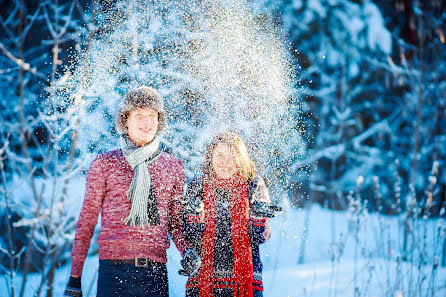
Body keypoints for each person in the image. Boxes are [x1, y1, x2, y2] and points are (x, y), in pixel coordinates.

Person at [63, 86, 193, 297]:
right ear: (126, 120)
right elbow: (86, 222)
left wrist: (186, 250)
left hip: (155, 275)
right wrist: (75, 277)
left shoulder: (172, 167)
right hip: (113, 273)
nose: (147, 122)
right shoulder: (105, 164)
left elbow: (175, 223)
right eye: (139, 115)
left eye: (152, 116)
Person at [181, 131, 280, 297]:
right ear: (210, 157)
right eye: (219, 155)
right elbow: (190, 235)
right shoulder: (197, 186)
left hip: (246, 281)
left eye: (232, 156)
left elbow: (261, 237)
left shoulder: (254, 185)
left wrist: (258, 217)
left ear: (241, 158)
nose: (225, 162)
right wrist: (194, 216)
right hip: (202, 282)